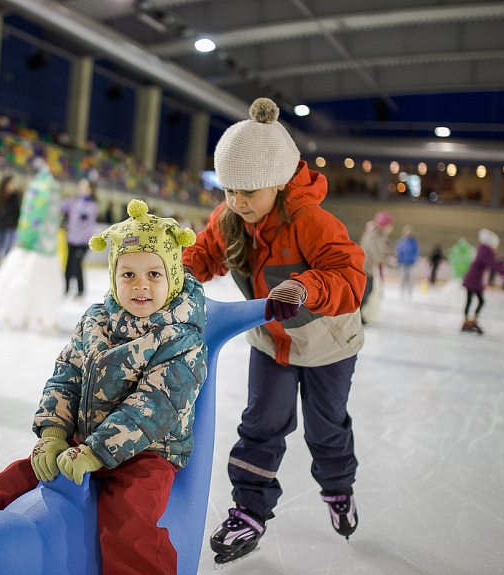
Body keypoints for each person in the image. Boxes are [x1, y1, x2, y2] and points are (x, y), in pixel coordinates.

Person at [0, 199, 207, 575]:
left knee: (129, 521)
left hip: (147, 451)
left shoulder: (180, 340)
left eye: (154, 274)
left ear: (173, 277)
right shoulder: (96, 321)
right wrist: (53, 435)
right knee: (6, 485)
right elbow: (65, 376)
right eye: (128, 274)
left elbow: (155, 406)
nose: (141, 286)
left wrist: (97, 452)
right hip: (79, 443)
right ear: (114, 277)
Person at [182, 97, 366, 565]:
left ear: (279, 183)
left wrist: (304, 288)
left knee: (326, 429)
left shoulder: (311, 221)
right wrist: (168, 274)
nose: (239, 202)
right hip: (271, 343)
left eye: (250, 191)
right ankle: (249, 510)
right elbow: (202, 257)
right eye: (230, 190)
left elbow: (350, 277)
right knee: (261, 425)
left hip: (327, 344)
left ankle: (338, 487)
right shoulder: (230, 221)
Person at [0, 158, 63, 333]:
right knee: (35, 282)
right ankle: (29, 314)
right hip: (41, 247)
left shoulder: (35, 191)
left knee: (23, 279)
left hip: (29, 244)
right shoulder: (47, 191)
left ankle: (20, 313)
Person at [461, 229, 504, 334]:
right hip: (473, 279)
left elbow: (492, 262)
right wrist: (503, 271)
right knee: (477, 301)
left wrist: (503, 268)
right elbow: (491, 263)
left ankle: (469, 321)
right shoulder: (486, 250)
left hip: (474, 277)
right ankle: (469, 321)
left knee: (472, 300)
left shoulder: (483, 249)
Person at [60, 178, 99, 297]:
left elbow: (87, 216)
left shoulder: (93, 205)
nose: (81, 189)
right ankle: (65, 288)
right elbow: (61, 207)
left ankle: (80, 289)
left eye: (85, 187)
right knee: (68, 263)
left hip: (83, 240)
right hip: (72, 238)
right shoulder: (74, 201)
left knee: (77, 263)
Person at [358, 210, 394, 323]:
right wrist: (386, 262)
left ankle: (361, 315)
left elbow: (381, 251)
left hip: (369, 269)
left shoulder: (378, 235)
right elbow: (372, 252)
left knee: (369, 291)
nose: (391, 228)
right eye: (390, 225)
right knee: (365, 292)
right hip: (365, 268)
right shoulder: (373, 234)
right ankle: (357, 316)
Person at [394, 224, 420, 297]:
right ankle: (402, 292)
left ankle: (409, 293)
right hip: (403, 263)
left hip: (411, 264)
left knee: (410, 279)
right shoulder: (401, 241)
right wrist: (399, 259)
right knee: (402, 278)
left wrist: (414, 260)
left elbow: (416, 252)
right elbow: (398, 250)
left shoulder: (414, 242)